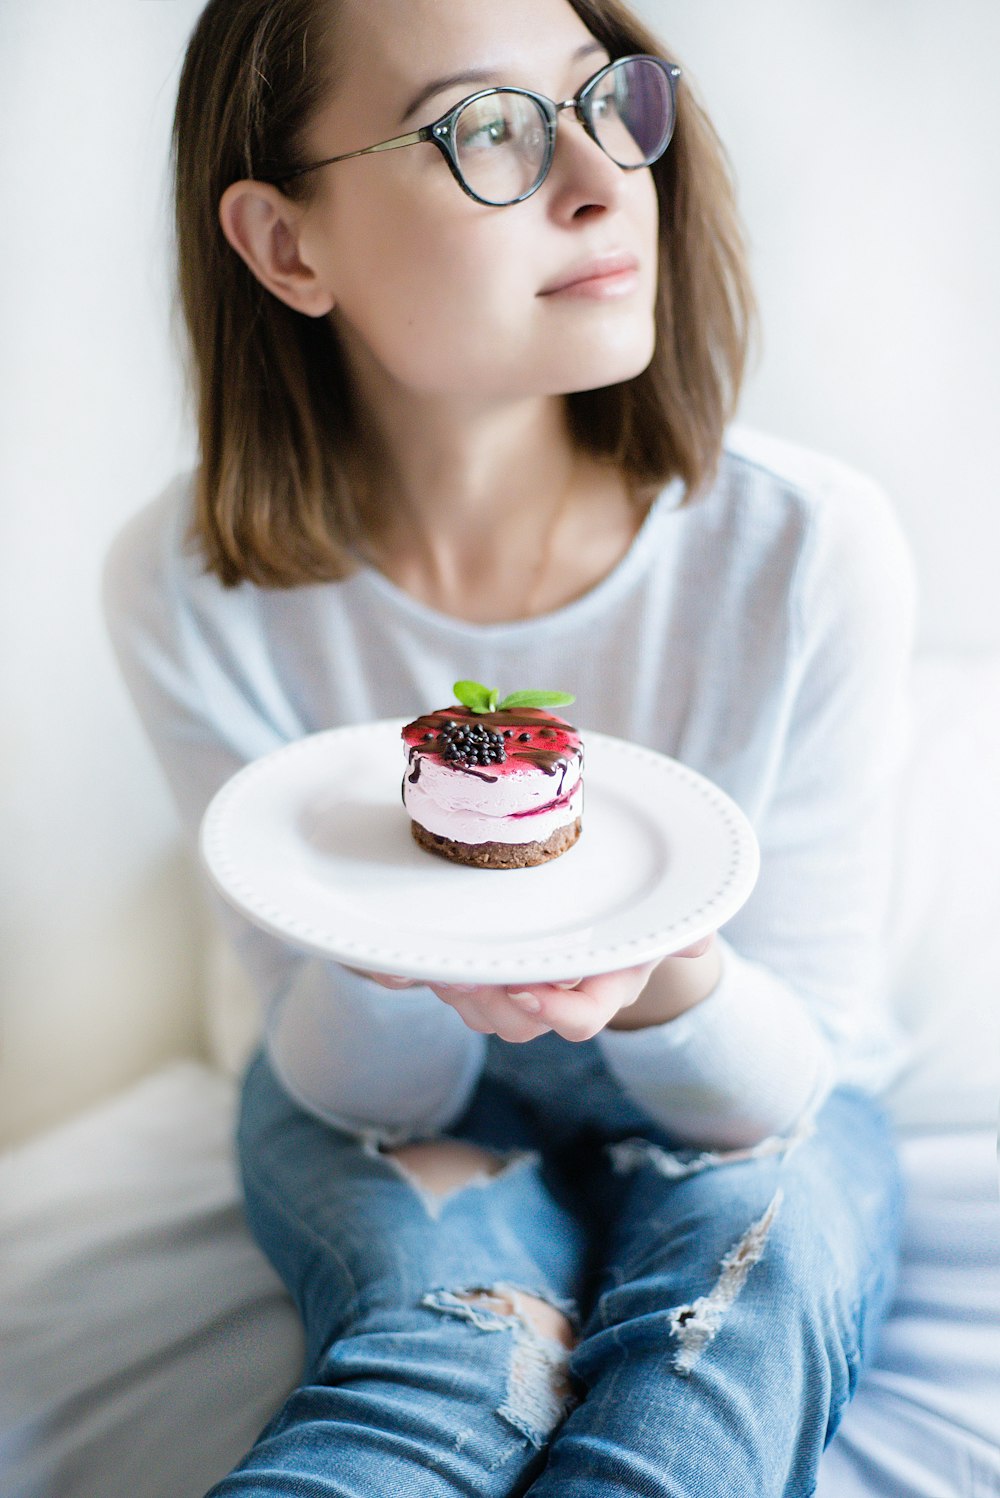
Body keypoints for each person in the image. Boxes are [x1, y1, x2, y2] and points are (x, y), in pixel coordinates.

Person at [103, 0, 919, 1492]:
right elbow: (364, 1093)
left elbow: (783, 1083)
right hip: (366, 1083)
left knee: (735, 1325)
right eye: (485, 127)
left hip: (742, 1068)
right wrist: (410, 935)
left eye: (607, 100)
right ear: (290, 247)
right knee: (447, 1353)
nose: (607, 177)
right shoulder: (189, 588)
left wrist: (653, 960)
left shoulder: (804, 552)